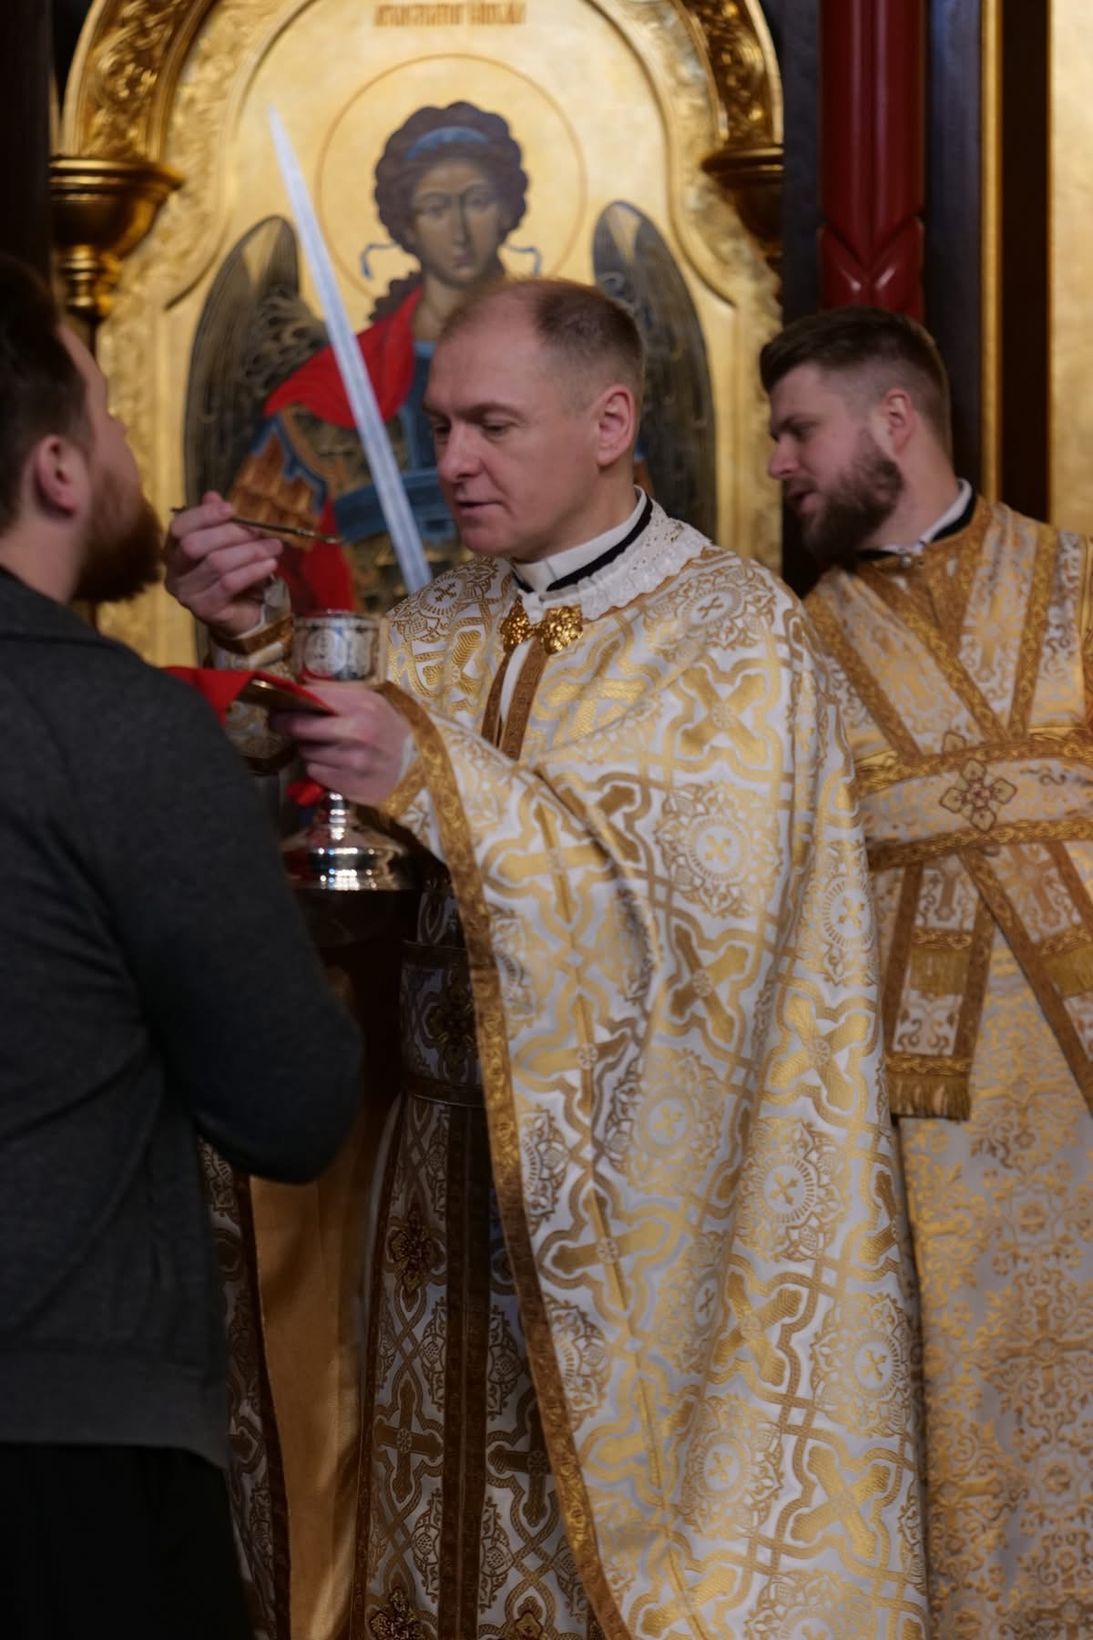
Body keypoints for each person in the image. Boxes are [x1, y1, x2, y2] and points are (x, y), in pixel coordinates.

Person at [167, 278, 928, 1638]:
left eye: (493, 425)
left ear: (608, 423)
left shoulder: (736, 637)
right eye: (441, 426)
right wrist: (258, 642)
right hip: (429, 1195)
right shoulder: (440, 621)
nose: (452, 460)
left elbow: (708, 940)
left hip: (620, 1242)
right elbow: (361, 791)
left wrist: (430, 774)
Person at [0, 255, 362, 1639]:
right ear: (57, 470)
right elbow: (290, 1102)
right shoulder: (111, 725)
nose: (128, 447)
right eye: (107, 413)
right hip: (64, 1438)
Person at [761, 303, 1093, 1636]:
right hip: (915, 1132)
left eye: (799, 430)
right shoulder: (793, 648)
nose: (778, 462)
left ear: (892, 419)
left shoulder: (1074, 584)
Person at [228, 100, 528, 613]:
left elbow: (622, 539)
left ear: (505, 211)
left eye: (477, 201)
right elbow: (256, 570)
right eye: (436, 208)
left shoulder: (569, 367)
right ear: (406, 228)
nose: (459, 229)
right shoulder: (331, 389)